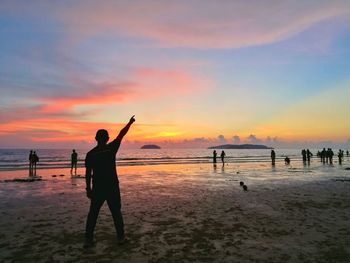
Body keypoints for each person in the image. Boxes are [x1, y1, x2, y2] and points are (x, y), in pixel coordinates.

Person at [84, 115, 135, 248]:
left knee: (93, 214)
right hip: (112, 187)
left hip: (97, 188)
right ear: (107, 139)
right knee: (116, 212)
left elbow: (88, 173)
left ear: (96, 139)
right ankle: (121, 238)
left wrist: (88, 189)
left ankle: (88, 240)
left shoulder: (90, 154)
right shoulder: (110, 149)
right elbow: (121, 134)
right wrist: (129, 123)